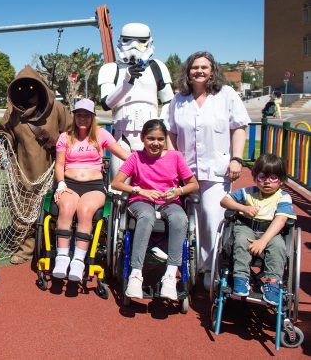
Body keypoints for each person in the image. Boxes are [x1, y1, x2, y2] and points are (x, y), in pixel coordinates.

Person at [167, 51, 251, 284]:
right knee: (187, 220)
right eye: (195, 67)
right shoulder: (179, 100)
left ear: (212, 70)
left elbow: (239, 127)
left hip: (217, 169)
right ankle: (184, 265)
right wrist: (173, 161)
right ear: (188, 71)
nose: (199, 71)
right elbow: (171, 133)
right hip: (186, 171)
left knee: (212, 218)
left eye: (204, 67)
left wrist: (237, 158)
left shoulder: (226, 95)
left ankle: (210, 269)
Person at [112, 119, 199, 300]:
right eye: (151, 138)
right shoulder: (135, 157)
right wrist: (140, 190)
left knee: (180, 219)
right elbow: (116, 183)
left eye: (160, 139)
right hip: (141, 200)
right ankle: (136, 274)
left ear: (165, 140)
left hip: (169, 201)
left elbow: (193, 184)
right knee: (146, 215)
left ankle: (170, 275)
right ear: (143, 138)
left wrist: (178, 190)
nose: (155, 143)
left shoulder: (175, 157)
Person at [0, 66, 72, 264]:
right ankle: (26, 248)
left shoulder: (57, 108)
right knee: (23, 208)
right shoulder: (13, 111)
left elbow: (71, 132)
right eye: (21, 88)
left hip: (53, 168)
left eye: (31, 87)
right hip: (23, 167)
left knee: (54, 208)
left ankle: (56, 246)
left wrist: (59, 145)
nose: (27, 92)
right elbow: (7, 131)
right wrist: (3, 139)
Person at [52, 99, 130, 281]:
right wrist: (61, 183)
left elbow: (124, 155)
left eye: (87, 115)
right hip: (70, 183)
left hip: (94, 185)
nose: (82, 118)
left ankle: (78, 260)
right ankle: (62, 257)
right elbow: (60, 164)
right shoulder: (65, 137)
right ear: (74, 116)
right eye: (79, 114)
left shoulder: (101, 134)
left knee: (85, 211)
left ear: (92, 116)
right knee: (66, 207)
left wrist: (147, 160)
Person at [98, 23, 175, 175]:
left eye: (140, 41)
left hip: (151, 136)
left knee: (150, 181)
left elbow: (169, 102)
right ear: (121, 41)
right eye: (128, 40)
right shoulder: (110, 69)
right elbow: (107, 103)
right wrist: (127, 82)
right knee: (119, 188)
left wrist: (161, 124)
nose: (133, 46)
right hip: (122, 135)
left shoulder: (157, 67)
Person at [220, 154, 294, 306]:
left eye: (273, 177)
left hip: (270, 231)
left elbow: (280, 220)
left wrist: (262, 241)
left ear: (281, 180)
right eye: (262, 177)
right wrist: (243, 208)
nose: (267, 181)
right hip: (246, 226)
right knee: (240, 241)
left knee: (279, 246)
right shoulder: (248, 192)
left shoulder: (283, 197)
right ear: (255, 178)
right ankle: (241, 278)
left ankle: (273, 283)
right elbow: (224, 201)